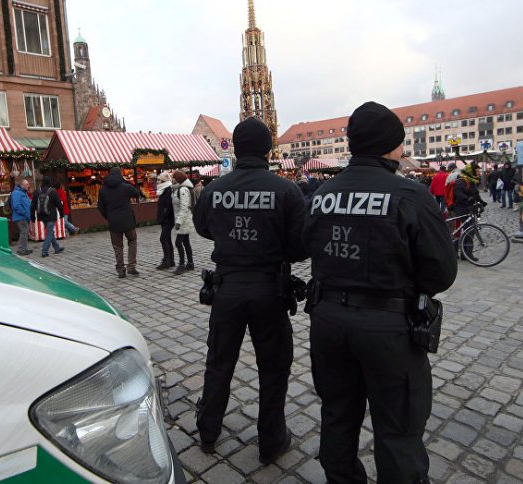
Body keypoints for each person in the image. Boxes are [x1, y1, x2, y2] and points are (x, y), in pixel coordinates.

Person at [303, 102, 457, 483]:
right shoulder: (410, 195)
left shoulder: (322, 194)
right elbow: (441, 272)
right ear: (391, 145)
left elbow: (305, 245)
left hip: (328, 322)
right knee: (399, 429)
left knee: (337, 415)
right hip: (389, 329)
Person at [193, 117, 308, 464]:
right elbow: (300, 246)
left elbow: (203, 227)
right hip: (269, 290)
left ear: (237, 149)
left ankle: (208, 431)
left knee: (219, 362)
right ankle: (271, 441)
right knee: (273, 367)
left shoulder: (214, 189)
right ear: (268, 150)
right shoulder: (286, 191)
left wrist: (232, 239)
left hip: (227, 288)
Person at [98, 167, 143, 277]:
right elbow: (137, 193)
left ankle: (121, 269)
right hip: (128, 220)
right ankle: (131, 266)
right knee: (132, 241)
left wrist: (108, 216)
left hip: (113, 221)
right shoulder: (125, 187)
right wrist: (125, 181)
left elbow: (100, 207)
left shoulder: (103, 190)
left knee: (117, 246)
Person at [30, 176, 64, 258]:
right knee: (49, 233)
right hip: (51, 216)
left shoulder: (37, 192)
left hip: (41, 215)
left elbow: (32, 206)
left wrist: (32, 217)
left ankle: (57, 248)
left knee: (50, 231)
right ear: (49, 182)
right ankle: (44, 251)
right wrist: (61, 214)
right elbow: (59, 204)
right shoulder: (53, 191)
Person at [171, 170, 195, 275]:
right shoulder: (177, 189)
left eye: (174, 177)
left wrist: (179, 222)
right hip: (182, 219)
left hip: (183, 221)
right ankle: (190, 263)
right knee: (185, 242)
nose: (172, 179)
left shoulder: (183, 189)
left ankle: (181, 265)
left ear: (178, 179)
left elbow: (184, 207)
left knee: (178, 242)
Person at [155, 172, 175, 270]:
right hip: (164, 219)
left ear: (164, 181)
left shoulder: (168, 190)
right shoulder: (163, 190)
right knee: (167, 239)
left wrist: (163, 216)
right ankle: (171, 260)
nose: (157, 182)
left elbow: (169, 206)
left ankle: (166, 261)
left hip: (168, 219)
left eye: (159, 180)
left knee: (163, 239)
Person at [11, 179, 32, 255]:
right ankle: (21, 249)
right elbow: (16, 205)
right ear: (22, 185)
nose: (28, 186)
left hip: (24, 216)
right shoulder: (16, 193)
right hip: (20, 216)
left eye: (28, 184)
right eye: (26, 184)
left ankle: (24, 248)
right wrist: (24, 212)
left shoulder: (23, 192)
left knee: (25, 232)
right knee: (24, 232)